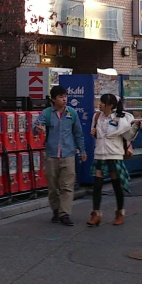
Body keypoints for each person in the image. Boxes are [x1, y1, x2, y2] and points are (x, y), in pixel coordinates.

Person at [34, 85, 86, 226]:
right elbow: (36, 127)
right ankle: (56, 210)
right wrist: (37, 129)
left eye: (65, 96)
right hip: (51, 155)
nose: (64, 99)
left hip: (68, 154)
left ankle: (65, 214)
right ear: (53, 99)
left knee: (67, 186)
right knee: (52, 188)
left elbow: (78, 134)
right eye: (61, 97)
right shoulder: (47, 113)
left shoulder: (72, 113)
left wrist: (82, 150)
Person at [88, 93, 142, 227]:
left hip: (114, 154)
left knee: (116, 184)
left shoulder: (121, 118)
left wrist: (135, 126)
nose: (99, 104)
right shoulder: (96, 116)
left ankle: (119, 212)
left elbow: (128, 136)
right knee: (97, 185)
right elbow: (96, 133)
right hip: (100, 153)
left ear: (110, 105)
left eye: (102, 102)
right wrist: (94, 133)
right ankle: (96, 213)